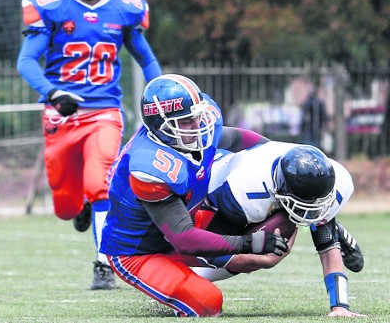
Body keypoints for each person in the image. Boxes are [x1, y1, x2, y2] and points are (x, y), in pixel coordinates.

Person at [16, 0, 163, 290]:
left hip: (104, 111)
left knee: (101, 185)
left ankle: (103, 263)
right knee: (65, 206)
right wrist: (53, 93)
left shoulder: (124, 9)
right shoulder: (51, 5)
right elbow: (25, 60)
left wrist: (158, 97)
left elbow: (146, 58)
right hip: (61, 114)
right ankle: (80, 205)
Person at [100, 74, 288, 317]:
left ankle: (189, 275)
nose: (198, 125)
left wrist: (280, 154)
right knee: (209, 302)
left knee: (250, 210)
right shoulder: (150, 166)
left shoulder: (197, 129)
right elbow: (184, 239)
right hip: (140, 251)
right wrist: (249, 243)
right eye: (187, 121)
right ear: (161, 126)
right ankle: (181, 281)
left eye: (198, 117)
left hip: (183, 223)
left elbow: (238, 139)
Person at [193, 142, 367, 317]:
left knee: (312, 222)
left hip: (265, 190)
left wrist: (340, 307)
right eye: (303, 208)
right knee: (195, 276)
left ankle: (327, 224)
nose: (309, 212)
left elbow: (327, 245)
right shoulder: (244, 188)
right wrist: (263, 260)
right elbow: (212, 252)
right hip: (207, 198)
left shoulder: (336, 181)